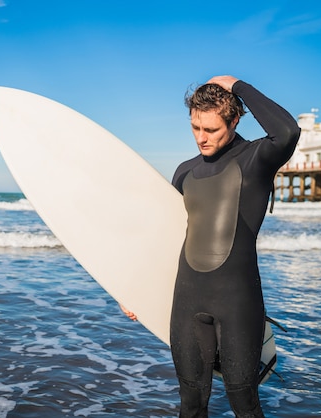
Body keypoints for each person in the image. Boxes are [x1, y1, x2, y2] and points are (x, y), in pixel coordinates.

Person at [122, 75, 300, 417]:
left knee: (243, 403)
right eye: (195, 128)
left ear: (233, 120)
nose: (201, 138)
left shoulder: (256, 159)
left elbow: (288, 131)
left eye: (211, 130)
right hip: (187, 302)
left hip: (237, 303)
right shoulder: (185, 172)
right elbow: (167, 238)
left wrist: (238, 86)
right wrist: (133, 289)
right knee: (190, 404)